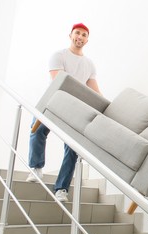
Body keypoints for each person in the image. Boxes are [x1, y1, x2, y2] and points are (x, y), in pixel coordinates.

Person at [26, 23, 102, 203]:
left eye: (84, 35)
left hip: (73, 108)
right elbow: (59, 82)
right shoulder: (58, 55)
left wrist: (106, 107)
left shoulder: (89, 64)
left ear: (87, 40)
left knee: (72, 148)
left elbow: (94, 92)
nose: (80, 37)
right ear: (70, 35)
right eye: (77, 33)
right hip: (53, 101)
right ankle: (36, 167)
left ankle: (61, 188)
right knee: (37, 130)